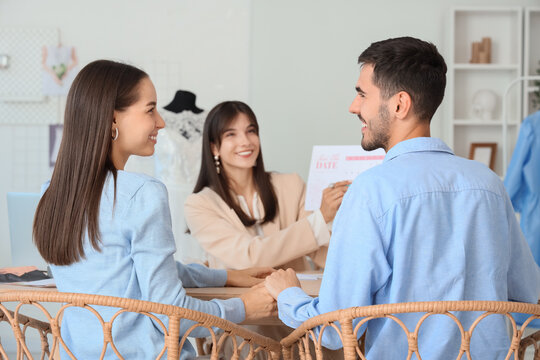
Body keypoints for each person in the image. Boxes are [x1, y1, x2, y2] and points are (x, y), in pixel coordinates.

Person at [265, 36, 540, 359]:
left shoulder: (370, 192)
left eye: (362, 94)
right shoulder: (489, 185)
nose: (354, 107)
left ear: (399, 105)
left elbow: (336, 330)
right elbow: (528, 296)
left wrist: (288, 295)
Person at [32, 60, 275, 359]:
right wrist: (244, 307)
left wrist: (222, 276)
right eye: (150, 110)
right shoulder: (143, 194)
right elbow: (172, 314)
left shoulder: (54, 193)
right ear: (112, 120)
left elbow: (124, 272)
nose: (160, 122)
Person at [184, 100, 350, 270]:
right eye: (231, 134)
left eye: (251, 131)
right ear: (214, 148)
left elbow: (320, 251)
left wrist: (338, 216)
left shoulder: (291, 185)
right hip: (239, 297)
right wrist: (321, 218)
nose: (246, 141)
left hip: (295, 294)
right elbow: (248, 258)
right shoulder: (199, 205)